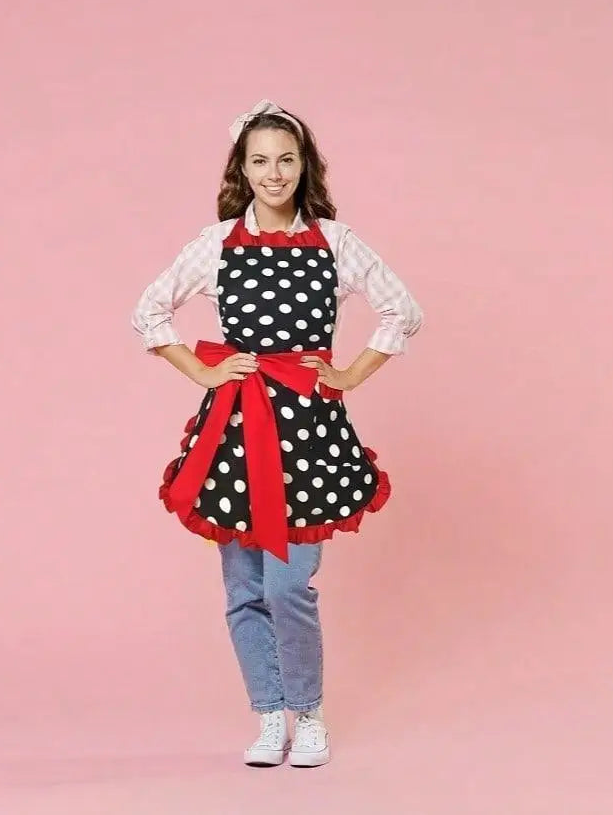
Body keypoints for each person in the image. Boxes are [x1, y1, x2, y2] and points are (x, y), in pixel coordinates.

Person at [131, 98, 422, 768]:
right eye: (259, 161)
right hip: (235, 426)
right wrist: (202, 370)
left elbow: (402, 310)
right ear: (242, 168)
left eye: (286, 160)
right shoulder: (215, 244)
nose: (273, 173)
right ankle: (268, 715)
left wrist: (346, 376)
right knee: (243, 589)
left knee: (289, 586)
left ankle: (308, 712)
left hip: (309, 432)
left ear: (304, 166)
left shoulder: (336, 242)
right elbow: (149, 311)